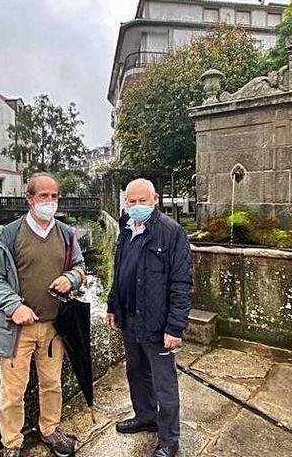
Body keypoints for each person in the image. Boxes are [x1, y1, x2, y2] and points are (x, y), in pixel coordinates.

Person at [0, 172, 87, 457]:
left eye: (54, 196)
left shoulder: (66, 235)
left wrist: (72, 278)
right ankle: (12, 443)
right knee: (13, 391)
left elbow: (80, 267)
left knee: (52, 384)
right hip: (17, 329)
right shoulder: (8, 235)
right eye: (44, 196)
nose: (50, 201)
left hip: (54, 326)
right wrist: (14, 305)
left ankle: (50, 429)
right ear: (30, 199)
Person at [106, 178, 192, 457]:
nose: (137, 206)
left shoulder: (171, 232)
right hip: (130, 318)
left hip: (158, 322)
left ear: (155, 200)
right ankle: (145, 416)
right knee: (136, 371)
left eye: (143, 201)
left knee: (164, 382)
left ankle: (169, 439)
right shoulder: (126, 227)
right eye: (132, 201)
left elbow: (181, 283)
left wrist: (175, 326)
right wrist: (112, 305)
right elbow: (119, 271)